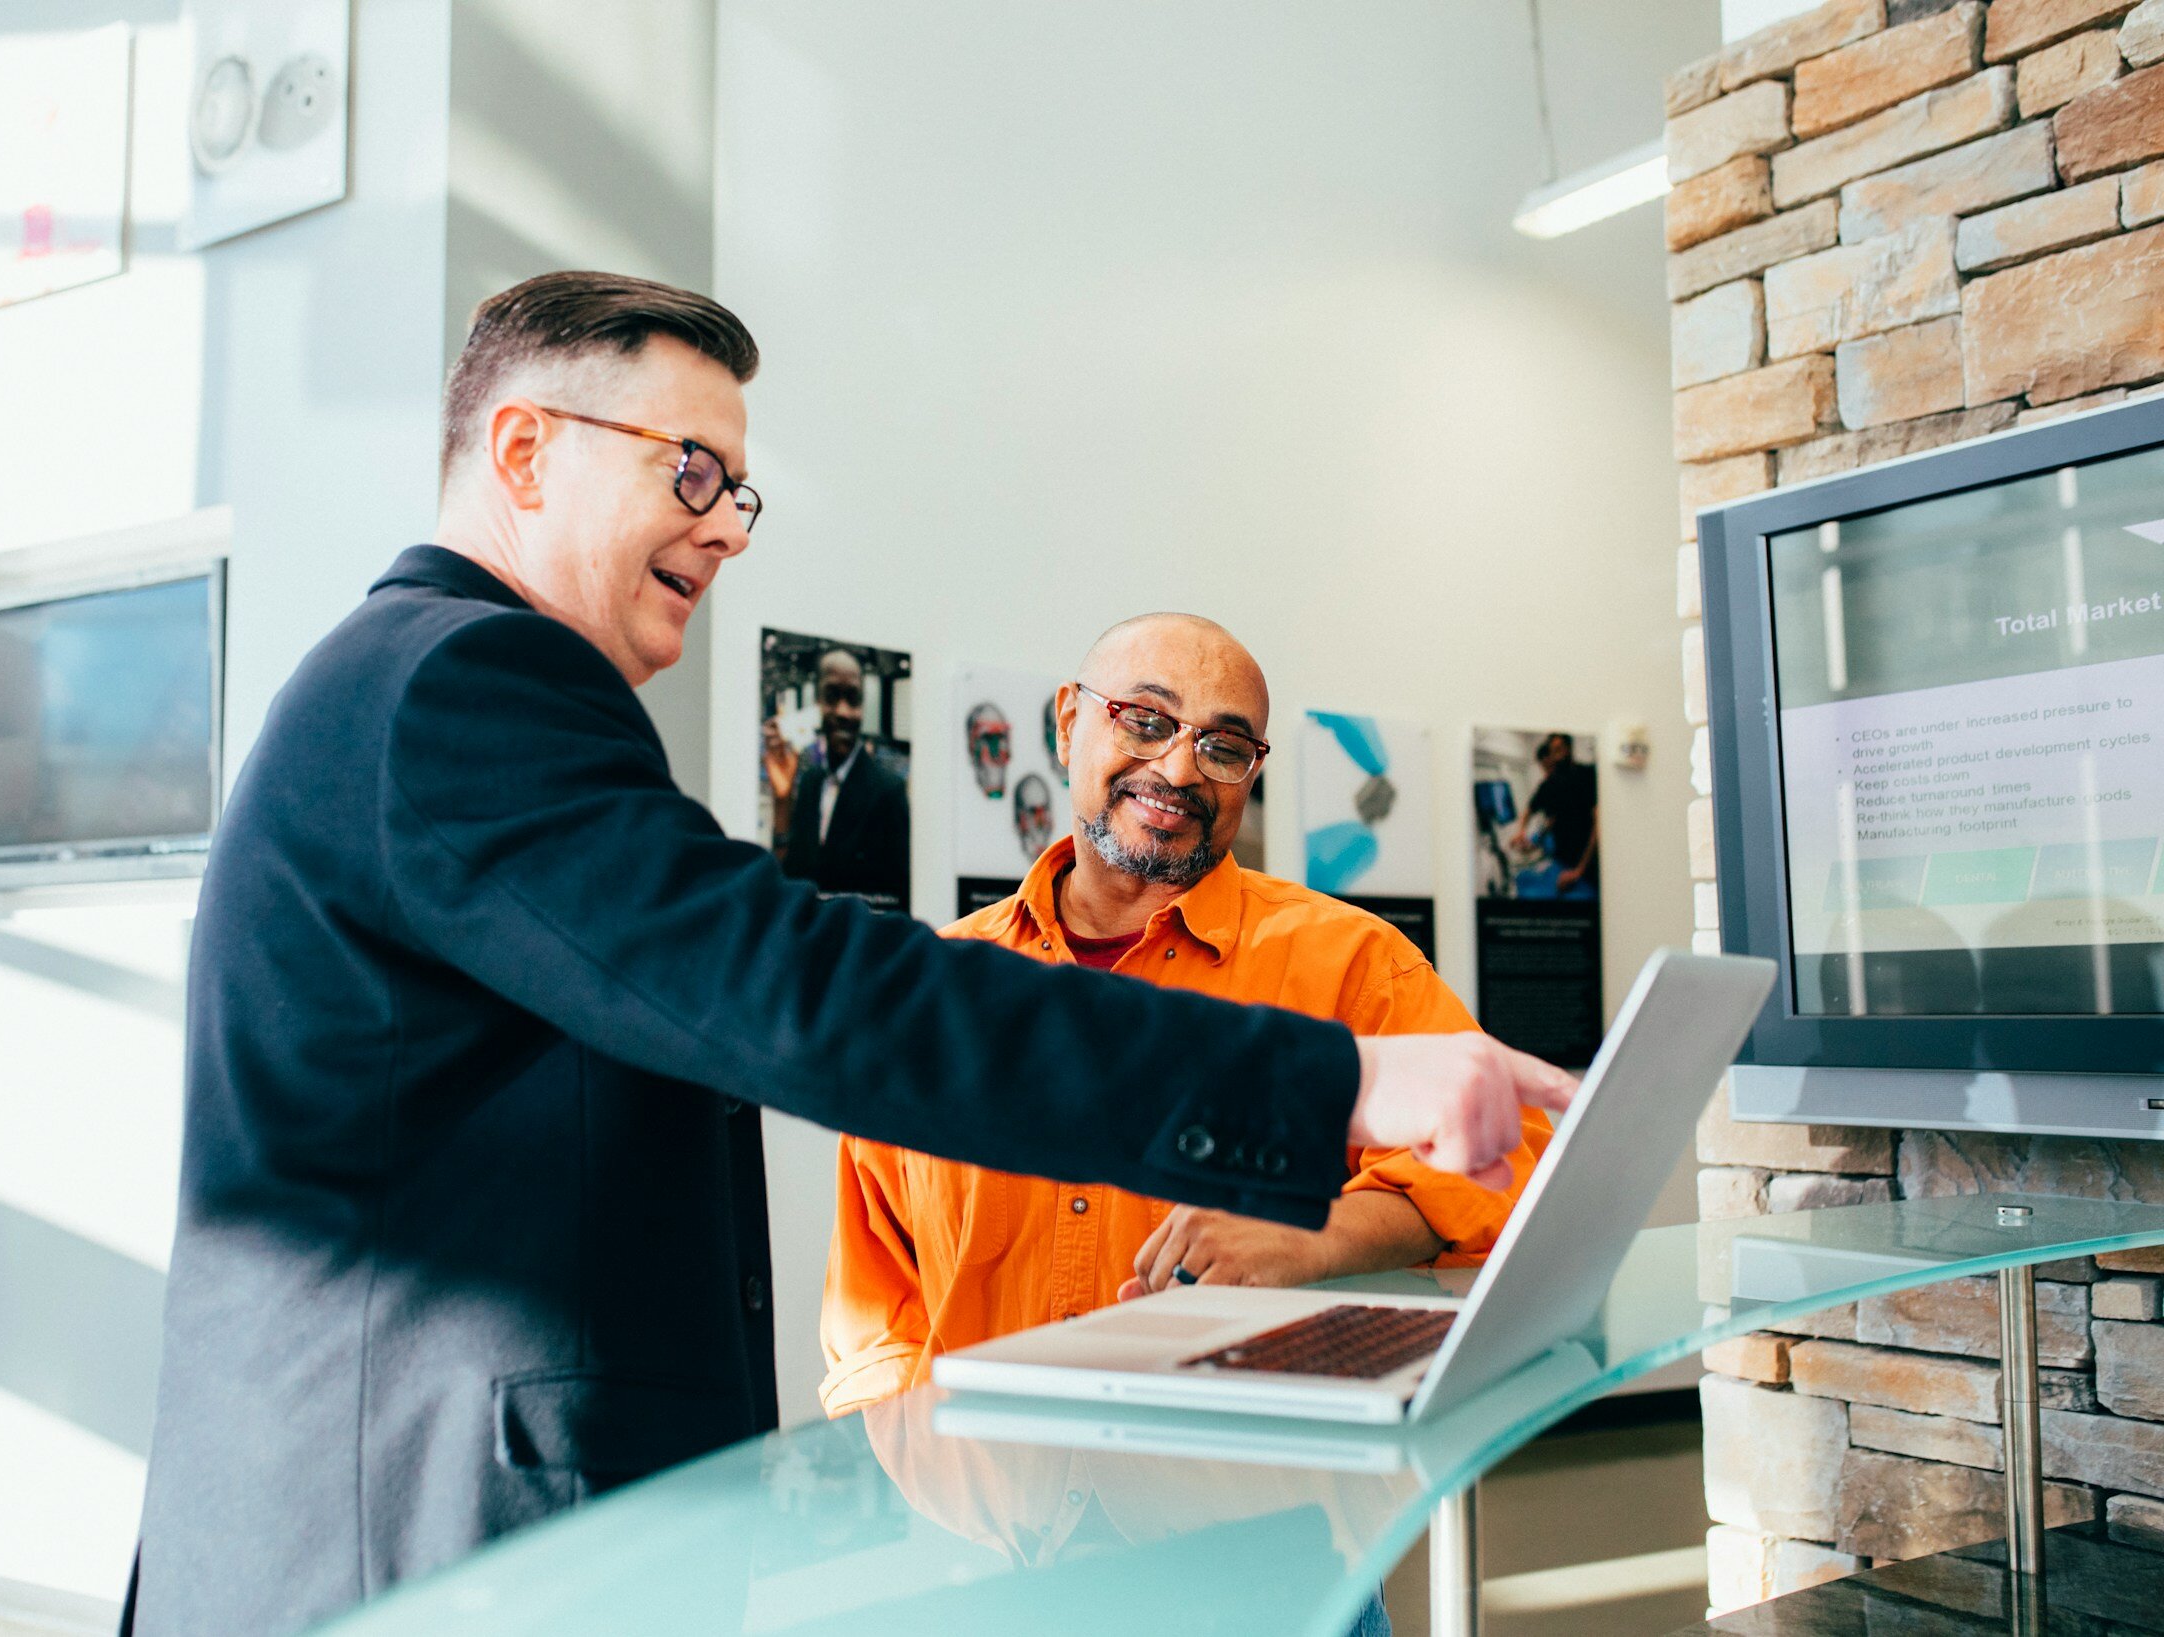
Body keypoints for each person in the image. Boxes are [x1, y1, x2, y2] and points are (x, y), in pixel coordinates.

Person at [125, 271, 1575, 1637]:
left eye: (737, 487)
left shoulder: (421, 688)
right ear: (521, 453)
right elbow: (804, 993)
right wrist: (1337, 1087)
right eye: (689, 467)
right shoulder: (463, 682)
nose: (730, 525)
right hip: (418, 1536)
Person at [820, 616, 1551, 1415]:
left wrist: (1313, 1234)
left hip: (1246, 1505)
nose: (1177, 768)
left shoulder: (1353, 964)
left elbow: (1512, 1159)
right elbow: (874, 1310)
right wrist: (922, 1483)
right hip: (985, 1513)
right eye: (1145, 719)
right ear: (1069, 722)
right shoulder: (939, 989)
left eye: (1224, 746)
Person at [772, 647, 910, 909]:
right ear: (817, 701)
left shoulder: (888, 792)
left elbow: (898, 901)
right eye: (832, 696)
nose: (844, 712)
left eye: (853, 699)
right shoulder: (810, 782)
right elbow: (791, 877)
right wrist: (782, 801)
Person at [1515, 731, 1599, 898]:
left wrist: (1579, 870)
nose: (1556, 756)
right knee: (1522, 880)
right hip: (1561, 861)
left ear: (1569, 749)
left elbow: (1599, 823)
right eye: (1553, 751)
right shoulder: (1550, 784)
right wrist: (1522, 832)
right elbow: (1533, 811)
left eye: (1559, 749)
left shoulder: (1587, 775)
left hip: (1586, 866)